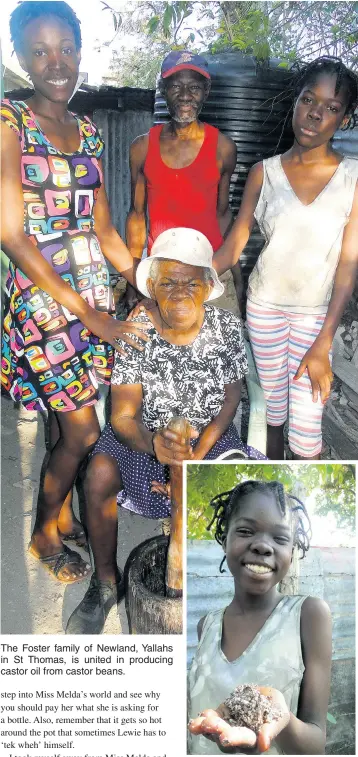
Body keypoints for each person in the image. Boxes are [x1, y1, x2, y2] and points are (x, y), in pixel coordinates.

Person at [1, 1, 150, 583]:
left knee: (74, 425)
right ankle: (43, 533)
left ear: (80, 53)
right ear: (21, 58)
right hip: (45, 302)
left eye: (65, 48)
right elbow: (12, 236)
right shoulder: (10, 125)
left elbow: (106, 231)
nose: (55, 62)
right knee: (84, 429)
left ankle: (60, 514)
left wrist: (147, 282)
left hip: (90, 294)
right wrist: (93, 316)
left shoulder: (88, 130)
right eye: (40, 51)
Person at [66, 228, 266, 634]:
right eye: (168, 282)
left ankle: (231, 591)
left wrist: (196, 456)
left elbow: (231, 401)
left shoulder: (226, 329)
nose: (179, 293)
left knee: (253, 493)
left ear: (209, 286)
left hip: (209, 440)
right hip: (144, 438)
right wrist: (155, 447)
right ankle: (105, 583)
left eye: (191, 282)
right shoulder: (136, 330)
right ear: (152, 287)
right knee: (98, 472)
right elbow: (122, 415)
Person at [213, 57, 358, 460]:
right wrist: (194, 276)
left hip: (315, 317)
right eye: (309, 100)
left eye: (331, 108)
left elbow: (348, 264)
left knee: (308, 431)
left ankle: (302, 502)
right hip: (264, 310)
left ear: (344, 120)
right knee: (274, 414)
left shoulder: (352, 178)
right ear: (294, 103)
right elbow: (237, 240)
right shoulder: (264, 172)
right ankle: (276, 493)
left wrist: (324, 341)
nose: (316, 113)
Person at [188, 479, 332, 755]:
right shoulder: (206, 625)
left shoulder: (309, 615)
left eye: (280, 538)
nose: (263, 546)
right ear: (224, 539)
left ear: (292, 551)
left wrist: (283, 721)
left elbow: (316, 744)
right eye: (245, 530)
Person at [124, 49, 239, 310]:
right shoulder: (142, 148)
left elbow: (223, 215)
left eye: (194, 88)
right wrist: (133, 280)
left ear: (206, 92)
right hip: (163, 274)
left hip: (210, 272)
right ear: (164, 90)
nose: (185, 95)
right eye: (176, 86)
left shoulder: (223, 148)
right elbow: (137, 216)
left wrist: (235, 273)